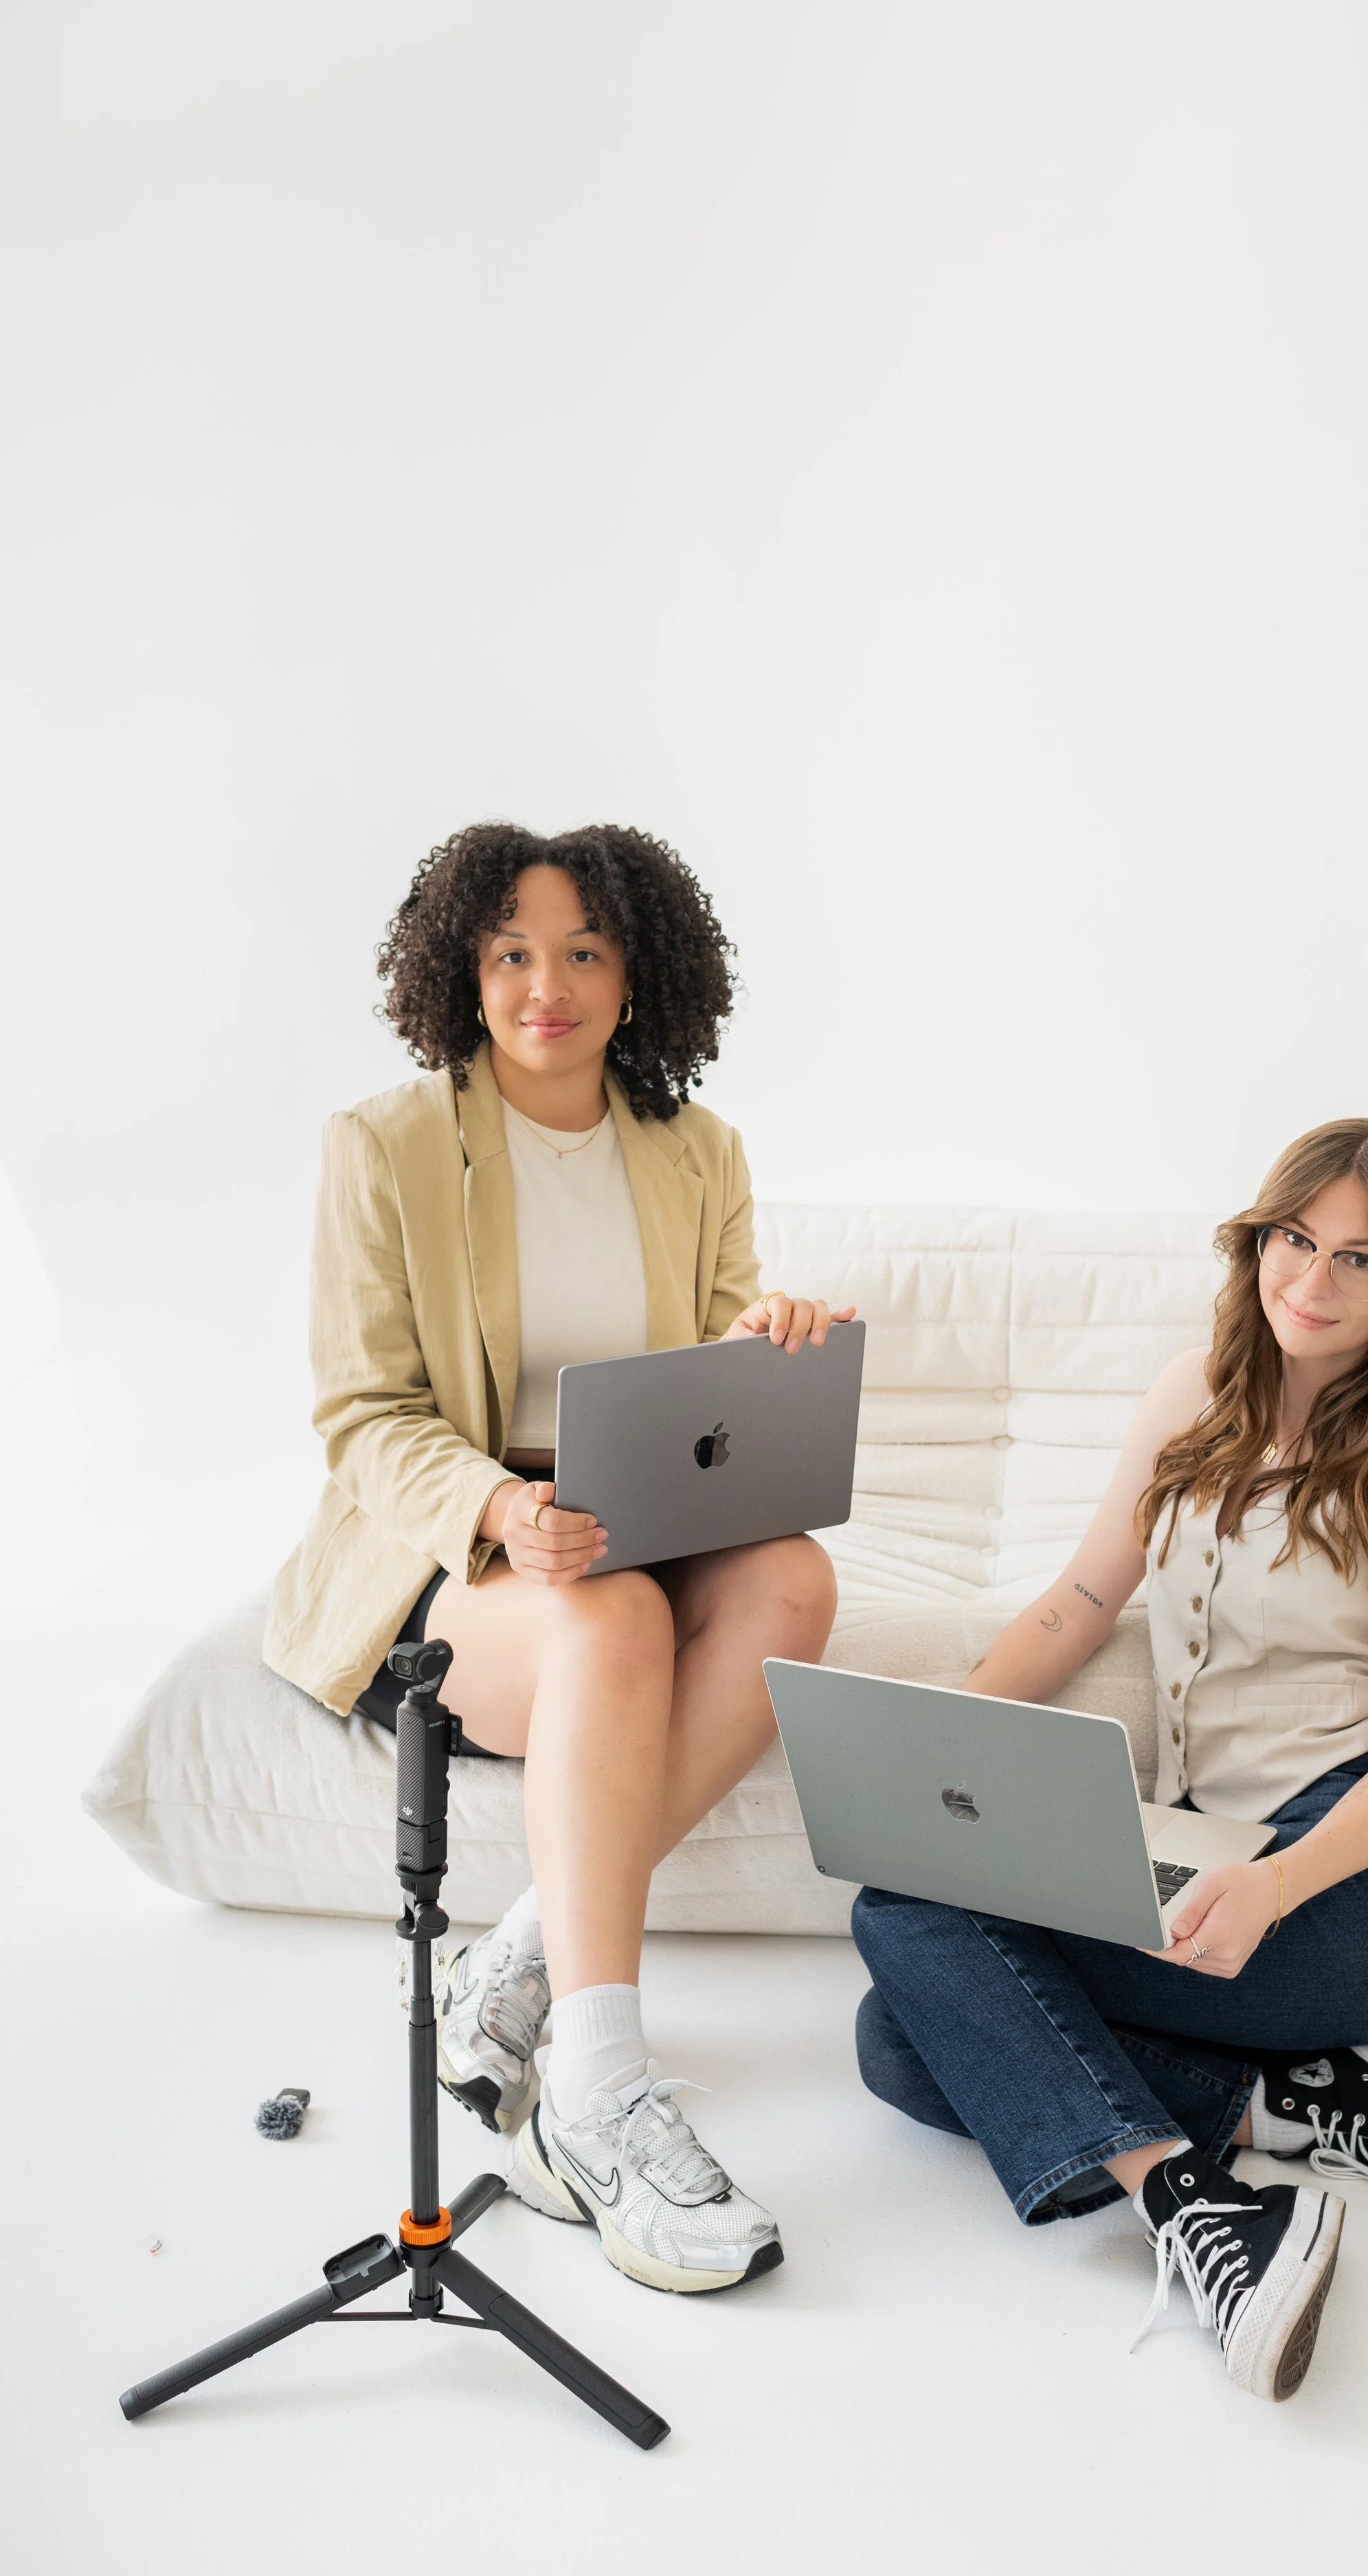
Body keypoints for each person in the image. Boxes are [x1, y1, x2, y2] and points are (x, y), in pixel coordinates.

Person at [265, 822, 853, 2296]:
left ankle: (511, 1957)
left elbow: (703, 1381)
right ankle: (594, 2093)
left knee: (794, 1584)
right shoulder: (383, 1146)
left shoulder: (693, 1149)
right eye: (513, 951)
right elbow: (362, 1414)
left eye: (583, 951)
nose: (548, 985)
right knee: (610, 1631)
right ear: (461, 970)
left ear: (634, 972)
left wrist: (754, 1346)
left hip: (632, 1513)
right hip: (458, 1535)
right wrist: (500, 1513)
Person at [850, 1118, 1368, 2401]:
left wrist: (1277, 1884)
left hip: (1359, 1896)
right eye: (1293, 1239)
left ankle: (1197, 2206)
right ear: (1256, 1238)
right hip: (1198, 1856)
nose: (1311, 1285)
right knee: (897, 2040)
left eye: (1359, 1260)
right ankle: (1284, 2116)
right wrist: (935, 1750)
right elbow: (1079, 1603)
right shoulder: (1191, 1395)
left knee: (905, 1917)